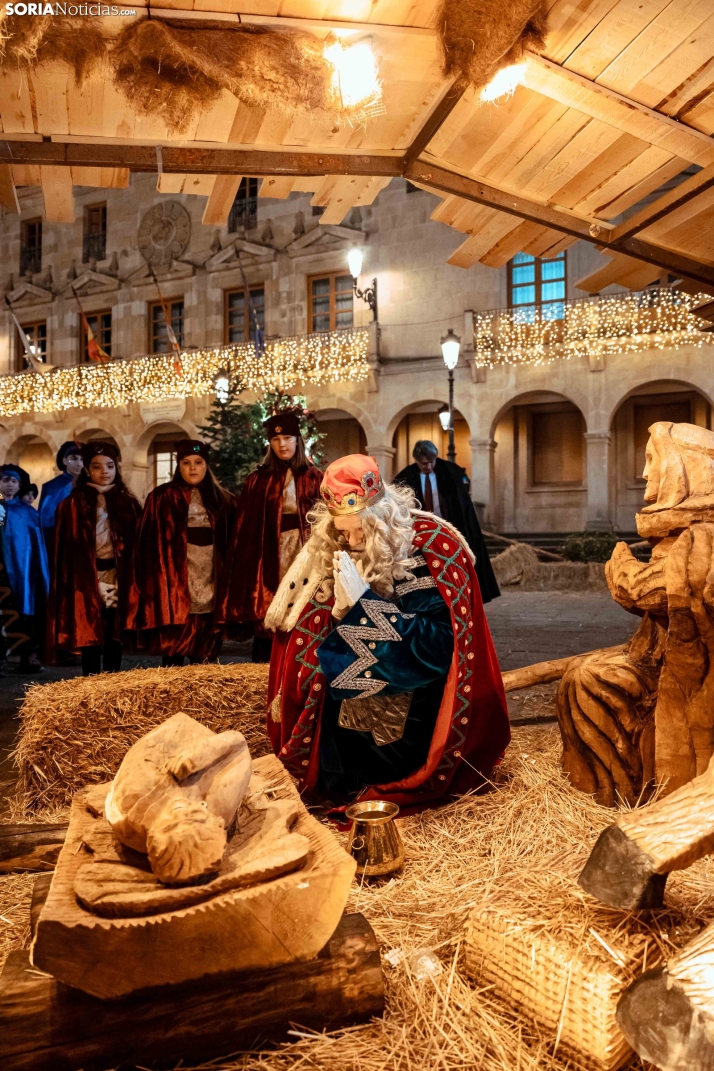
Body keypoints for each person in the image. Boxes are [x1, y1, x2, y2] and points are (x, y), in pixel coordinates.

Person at [265, 453, 510, 817]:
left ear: (379, 518)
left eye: (357, 530)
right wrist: (340, 617)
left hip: (419, 697)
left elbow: (439, 647)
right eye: (342, 532)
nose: (350, 540)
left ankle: (373, 774)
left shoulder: (427, 548)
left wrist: (363, 607)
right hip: (361, 682)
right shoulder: (341, 545)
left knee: (370, 719)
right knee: (331, 694)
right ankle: (341, 778)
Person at [222, 409, 322, 663]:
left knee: (300, 609)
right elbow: (245, 529)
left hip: (303, 553)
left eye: (288, 438)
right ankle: (263, 671)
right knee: (269, 613)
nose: (282, 444)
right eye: (276, 440)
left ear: (297, 440)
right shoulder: (258, 480)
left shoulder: (314, 477)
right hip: (269, 556)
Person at [126, 439, 235, 666]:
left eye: (198, 462)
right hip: (176, 585)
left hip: (209, 580)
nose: (192, 468)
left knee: (205, 658)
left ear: (206, 465)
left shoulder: (224, 500)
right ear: (179, 466)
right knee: (173, 655)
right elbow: (146, 545)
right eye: (186, 463)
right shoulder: (160, 498)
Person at [48, 442, 142, 676]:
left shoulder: (128, 504)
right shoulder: (71, 505)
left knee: (114, 633)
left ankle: (112, 682)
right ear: (87, 470)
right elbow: (66, 551)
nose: (105, 472)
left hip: (119, 576)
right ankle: (90, 684)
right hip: (86, 579)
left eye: (110, 466)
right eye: (97, 467)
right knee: (89, 633)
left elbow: (137, 547)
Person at [395, 440, 500, 604]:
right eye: (424, 463)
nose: (429, 466)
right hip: (422, 533)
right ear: (416, 461)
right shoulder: (406, 477)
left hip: (451, 529)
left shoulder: (450, 473)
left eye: (432, 461)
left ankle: (462, 595)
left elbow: (462, 503)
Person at [0, 463, 49, 672]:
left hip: (24, 572)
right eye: (5, 480)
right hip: (2, 571)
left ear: (20, 485)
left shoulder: (27, 512)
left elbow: (34, 545)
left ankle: (27, 658)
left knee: (26, 613)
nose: (9, 485)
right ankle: (1, 659)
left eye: (14, 481)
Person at [38, 441, 84, 554]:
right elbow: (45, 520)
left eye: (82, 460)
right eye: (74, 458)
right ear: (64, 461)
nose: (79, 464)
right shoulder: (52, 487)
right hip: (60, 545)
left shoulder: (89, 485)